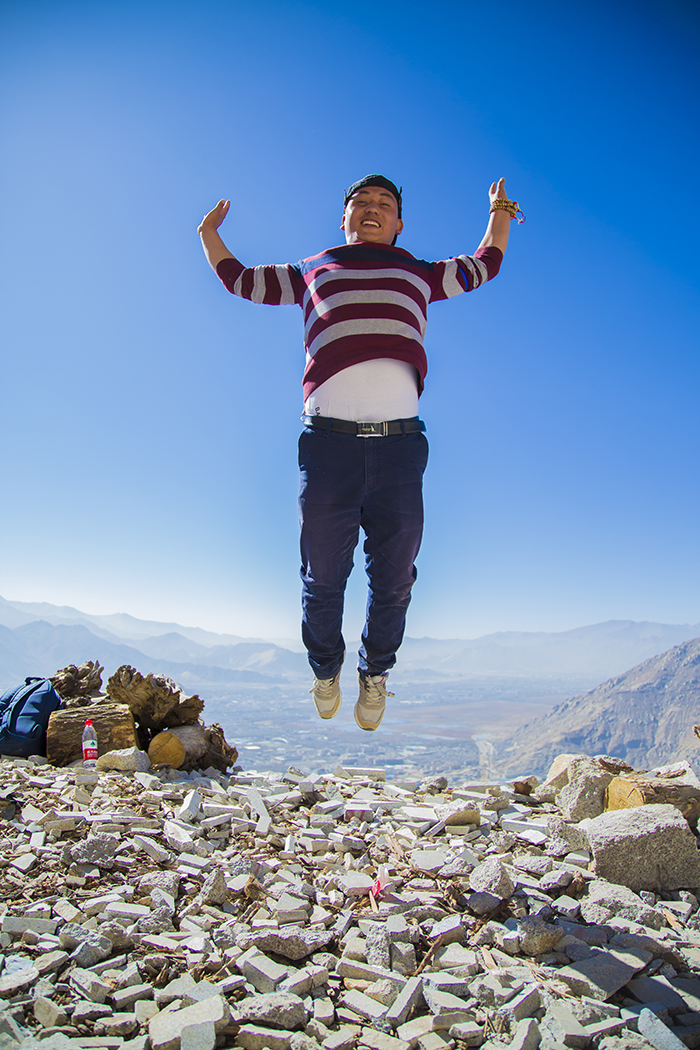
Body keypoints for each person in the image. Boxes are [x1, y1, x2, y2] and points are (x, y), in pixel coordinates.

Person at [198, 174, 520, 731]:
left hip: (400, 449)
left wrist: (500, 214)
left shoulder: (419, 273)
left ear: (399, 224)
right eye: (361, 202)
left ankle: (375, 673)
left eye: (384, 203)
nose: (372, 208)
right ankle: (326, 669)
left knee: (395, 580)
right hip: (328, 447)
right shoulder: (312, 269)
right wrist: (209, 235)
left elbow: (484, 264)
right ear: (343, 218)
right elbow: (241, 280)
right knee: (322, 576)